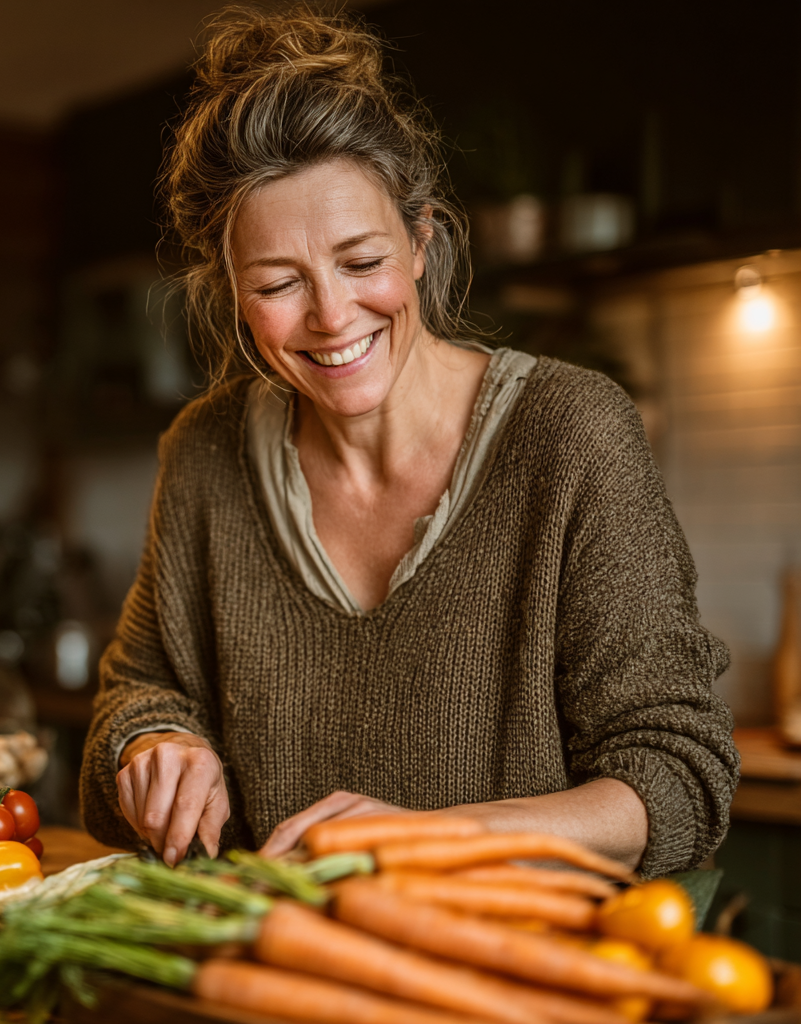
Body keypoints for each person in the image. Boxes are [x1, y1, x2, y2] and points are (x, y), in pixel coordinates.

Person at [79, 5, 738, 877]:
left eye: (361, 263)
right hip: (280, 980)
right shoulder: (204, 452)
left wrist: (438, 836)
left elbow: (680, 775)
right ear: (234, 291)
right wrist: (152, 742)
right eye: (279, 283)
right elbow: (136, 694)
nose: (331, 316)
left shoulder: (570, 433)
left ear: (421, 240)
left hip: (515, 983)